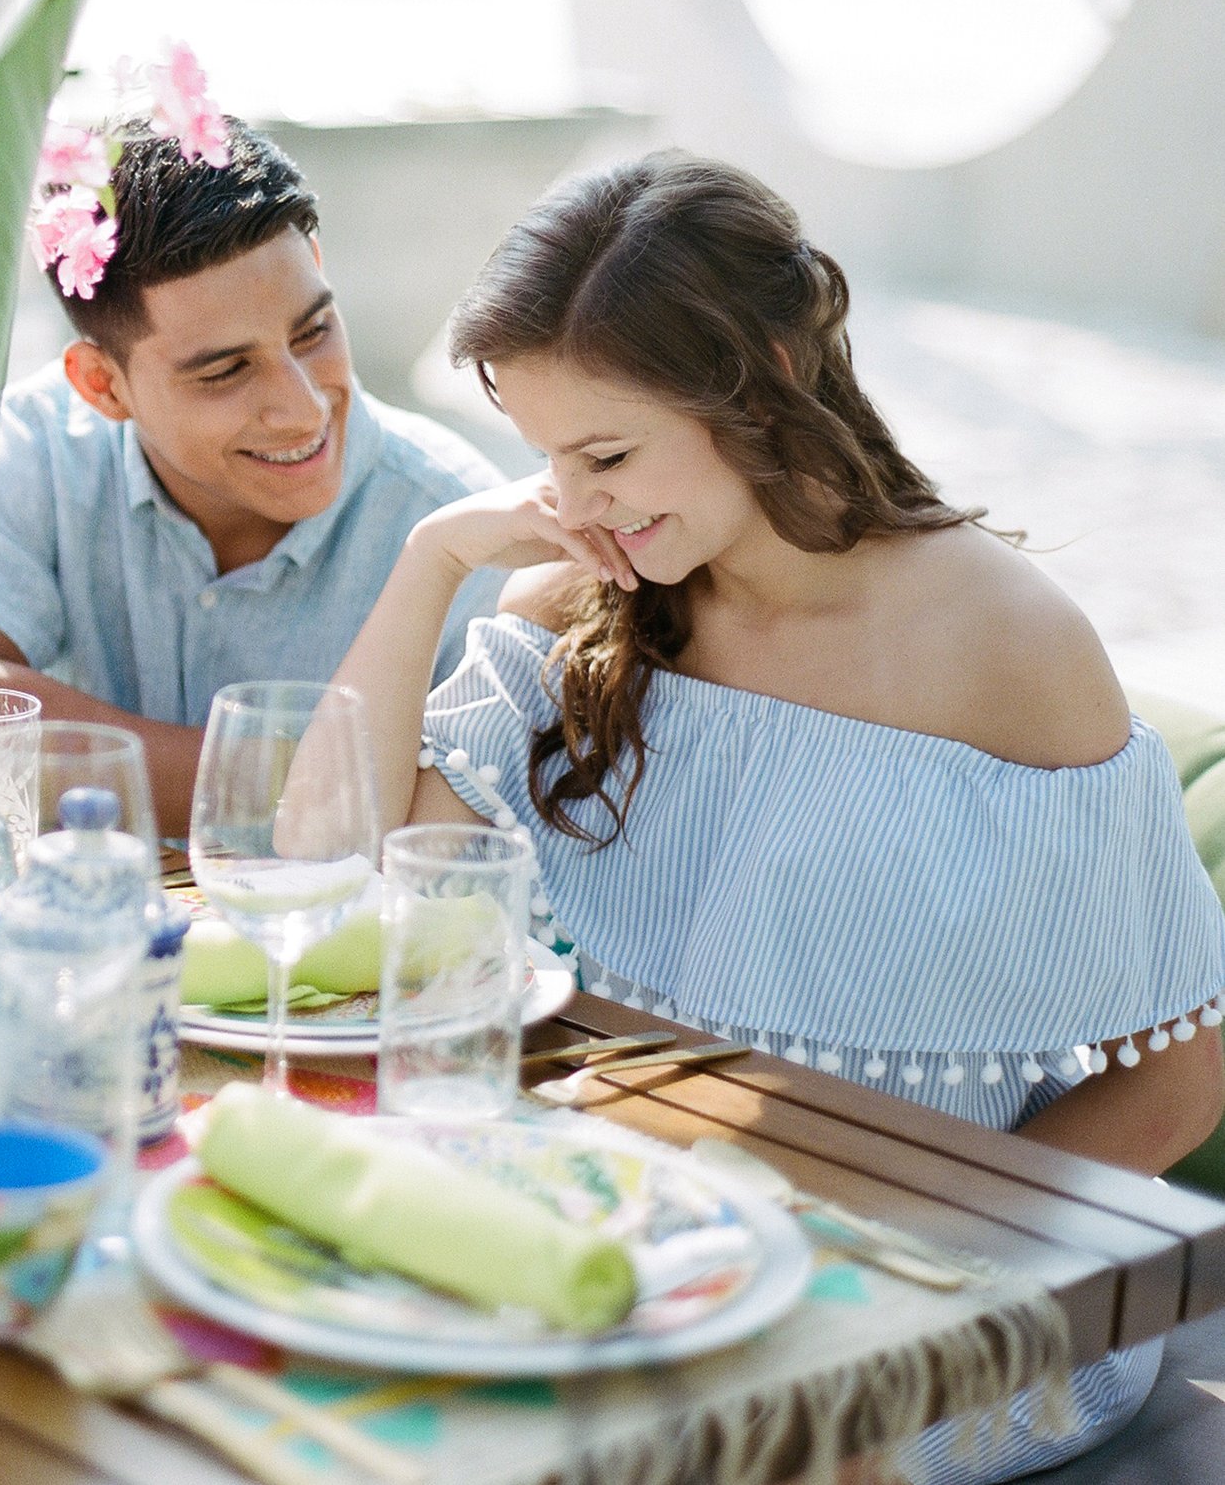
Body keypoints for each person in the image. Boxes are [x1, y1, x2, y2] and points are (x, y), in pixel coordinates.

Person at [332, 150, 1225, 1481]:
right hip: (644, 1237)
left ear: (768, 371)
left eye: (608, 451)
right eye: (546, 457)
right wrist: (432, 560)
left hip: (941, 1279)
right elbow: (342, 868)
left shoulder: (1005, 643)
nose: (570, 503)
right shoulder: (580, 600)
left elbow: (1172, 1088)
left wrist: (857, 1276)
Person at [0, 114, 504, 833]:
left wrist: (64, 755)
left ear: (317, 261)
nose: (302, 408)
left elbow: (447, 839)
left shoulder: (462, 531)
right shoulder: (39, 447)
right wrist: (304, 778)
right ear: (102, 386)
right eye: (226, 371)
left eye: (312, 332)